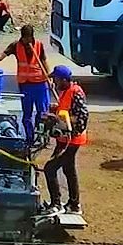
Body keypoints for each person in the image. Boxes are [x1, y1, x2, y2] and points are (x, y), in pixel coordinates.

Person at [0, 24, 51, 150]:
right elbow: (2, 55)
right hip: (25, 85)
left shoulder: (39, 45)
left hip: (40, 84)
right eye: (25, 39)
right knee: (27, 115)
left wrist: (49, 77)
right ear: (22, 37)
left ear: (32, 37)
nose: (27, 41)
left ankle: (42, 136)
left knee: (43, 113)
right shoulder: (15, 46)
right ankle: (29, 139)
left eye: (29, 39)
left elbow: (44, 61)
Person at [45, 64, 89, 216]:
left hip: (71, 140)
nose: (55, 82)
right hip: (65, 139)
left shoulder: (76, 93)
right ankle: (74, 204)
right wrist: (55, 109)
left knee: (49, 169)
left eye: (56, 79)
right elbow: (67, 111)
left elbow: (82, 116)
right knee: (68, 169)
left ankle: (56, 204)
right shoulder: (66, 91)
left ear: (64, 79)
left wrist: (57, 119)